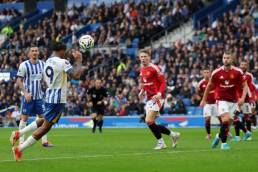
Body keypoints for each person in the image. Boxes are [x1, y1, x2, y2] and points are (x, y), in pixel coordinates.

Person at [10, 41, 82, 161]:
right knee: (46, 127)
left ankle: (19, 133)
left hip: (50, 95)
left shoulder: (48, 61)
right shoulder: (63, 62)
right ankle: (19, 149)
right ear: (61, 51)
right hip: (57, 99)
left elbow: (59, 68)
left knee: (45, 119)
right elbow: (76, 75)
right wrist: (79, 60)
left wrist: (70, 59)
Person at [200, 51, 250, 150]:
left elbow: (245, 86)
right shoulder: (216, 72)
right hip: (221, 100)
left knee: (228, 124)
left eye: (228, 58)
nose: (225, 59)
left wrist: (243, 98)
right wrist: (204, 99)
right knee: (226, 119)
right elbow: (209, 86)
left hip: (234, 101)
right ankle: (224, 144)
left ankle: (218, 136)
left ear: (232, 59)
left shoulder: (238, 72)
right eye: (224, 57)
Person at [138, 49, 180, 150]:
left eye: (145, 56)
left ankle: (161, 143)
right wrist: (142, 91)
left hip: (157, 97)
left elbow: (163, 83)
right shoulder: (142, 69)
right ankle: (173, 134)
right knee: (151, 122)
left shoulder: (154, 68)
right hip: (149, 98)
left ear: (149, 57)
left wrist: (159, 93)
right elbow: (144, 82)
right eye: (141, 57)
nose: (143, 59)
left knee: (148, 120)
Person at [15, 45, 53, 147]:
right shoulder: (24, 65)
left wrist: (50, 87)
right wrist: (25, 93)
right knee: (24, 119)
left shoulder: (42, 64)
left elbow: (46, 79)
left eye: (36, 51)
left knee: (44, 119)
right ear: (29, 54)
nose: (35, 52)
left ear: (38, 53)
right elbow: (19, 80)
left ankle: (44, 141)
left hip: (39, 97)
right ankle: (21, 142)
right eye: (33, 51)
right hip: (28, 96)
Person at [197, 67, 221, 140]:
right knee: (207, 119)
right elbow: (199, 92)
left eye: (208, 72)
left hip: (216, 103)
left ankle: (226, 131)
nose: (206, 74)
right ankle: (209, 134)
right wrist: (202, 99)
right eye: (205, 72)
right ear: (203, 73)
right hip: (207, 104)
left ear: (210, 73)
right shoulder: (201, 83)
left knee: (221, 118)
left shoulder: (214, 81)